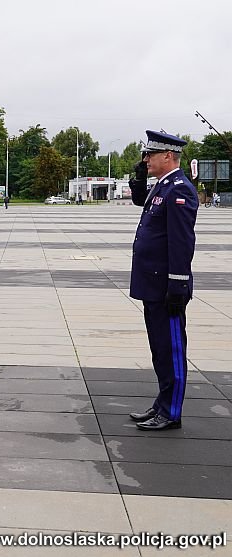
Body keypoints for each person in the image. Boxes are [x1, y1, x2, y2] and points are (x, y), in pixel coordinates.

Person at [128, 130, 198, 431]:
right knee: (159, 347)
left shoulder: (179, 189)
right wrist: (140, 178)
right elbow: (141, 200)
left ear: (168, 156)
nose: (146, 159)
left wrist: (178, 285)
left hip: (166, 286)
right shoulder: (163, 187)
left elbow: (182, 244)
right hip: (152, 284)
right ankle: (162, 402)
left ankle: (171, 411)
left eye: (150, 155)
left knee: (171, 348)